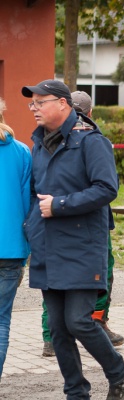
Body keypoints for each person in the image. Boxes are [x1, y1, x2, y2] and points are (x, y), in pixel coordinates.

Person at [22, 79, 124, 399]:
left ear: (62, 104)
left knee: (79, 322)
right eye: (33, 103)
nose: (34, 109)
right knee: (57, 329)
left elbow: (106, 189)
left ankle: (119, 372)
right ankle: (76, 392)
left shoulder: (91, 141)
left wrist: (59, 206)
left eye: (40, 102)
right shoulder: (38, 144)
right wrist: (31, 226)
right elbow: (33, 193)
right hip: (47, 246)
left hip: (82, 247)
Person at [40, 91, 124, 358]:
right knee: (99, 275)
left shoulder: (49, 141)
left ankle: (52, 336)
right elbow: (109, 187)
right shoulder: (95, 141)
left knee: (55, 279)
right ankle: (95, 324)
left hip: (58, 221)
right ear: (90, 113)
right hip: (85, 223)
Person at [0, 98, 32, 381]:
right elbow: (27, 207)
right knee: (0, 323)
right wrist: (24, 252)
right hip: (10, 250)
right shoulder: (22, 152)